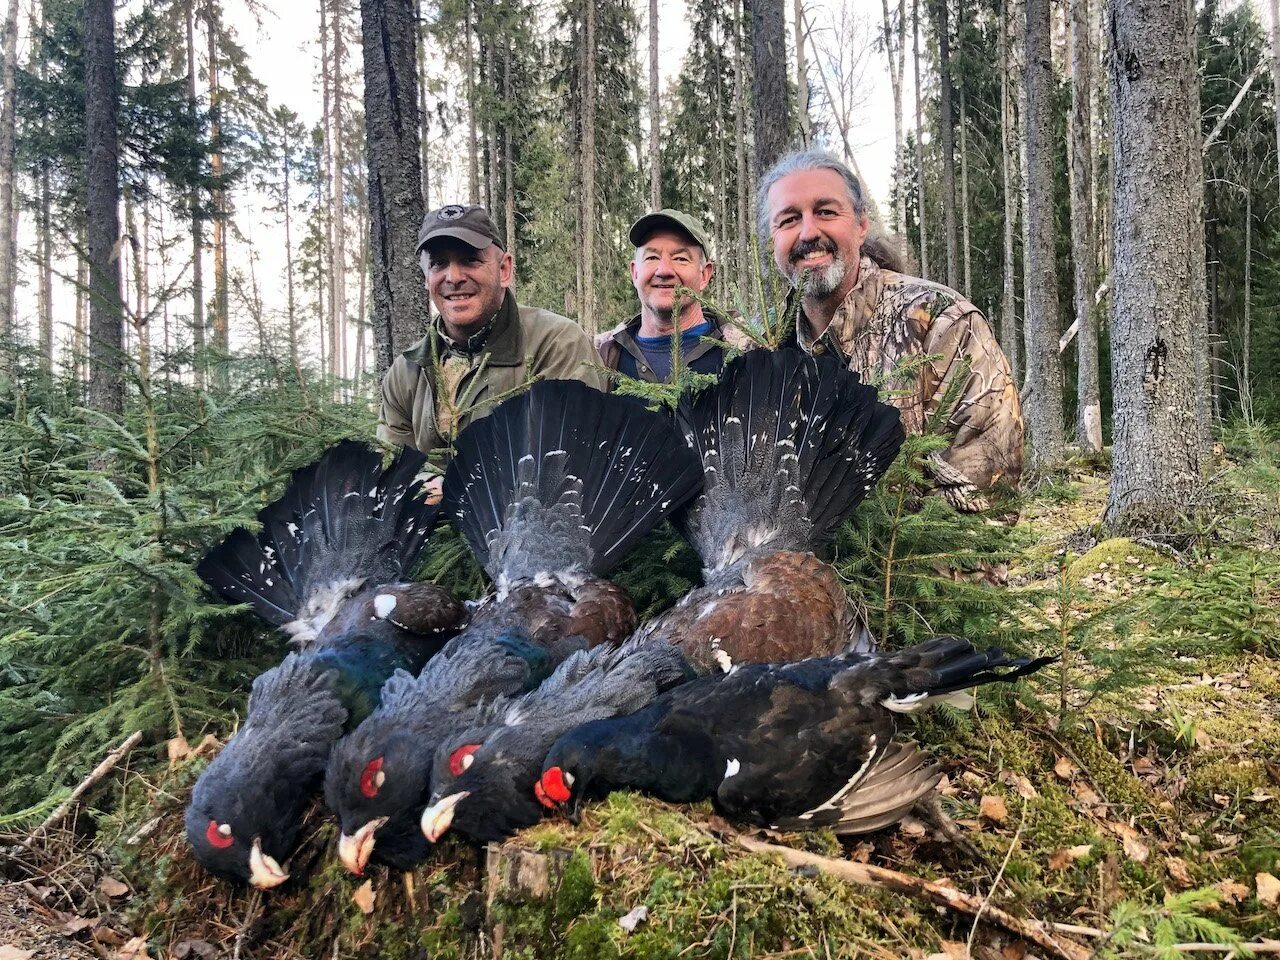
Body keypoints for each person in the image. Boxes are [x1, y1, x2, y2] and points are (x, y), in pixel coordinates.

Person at [759, 150, 1024, 511]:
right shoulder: (757, 347)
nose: (808, 232)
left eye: (825, 212)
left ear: (861, 224)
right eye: (789, 219)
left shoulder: (943, 324)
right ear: (772, 239)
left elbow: (984, 508)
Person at [378, 204, 605, 463]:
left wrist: (453, 487)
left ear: (504, 270)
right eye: (439, 263)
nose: (453, 277)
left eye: (470, 260)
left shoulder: (556, 345)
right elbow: (393, 471)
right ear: (426, 278)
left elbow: (572, 461)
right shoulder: (406, 373)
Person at [596, 209, 751, 386]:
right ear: (635, 273)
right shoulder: (600, 356)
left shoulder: (748, 351)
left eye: (681, 259)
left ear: (704, 275)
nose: (664, 271)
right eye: (652, 257)